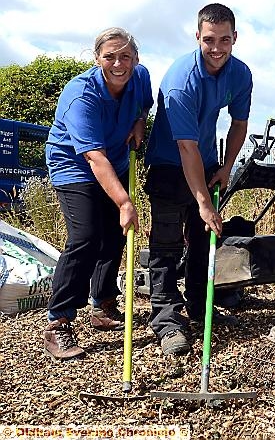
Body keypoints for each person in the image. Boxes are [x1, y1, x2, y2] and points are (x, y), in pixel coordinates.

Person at [144, 3, 252, 356]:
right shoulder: (181, 81)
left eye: (224, 39)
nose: (217, 47)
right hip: (168, 163)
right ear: (197, 37)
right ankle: (166, 319)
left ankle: (200, 307)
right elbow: (185, 148)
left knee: (204, 241)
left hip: (205, 162)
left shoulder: (240, 74)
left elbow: (239, 124)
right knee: (167, 245)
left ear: (235, 37)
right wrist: (205, 203)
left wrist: (225, 166)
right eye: (209, 40)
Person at [44, 27, 153, 361]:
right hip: (74, 164)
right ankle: (58, 322)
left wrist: (138, 122)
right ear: (97, 59)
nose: (119, 63)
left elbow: (143, 106)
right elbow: (94, 157)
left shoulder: (140, 76)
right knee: (87, 236)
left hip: (115, 159)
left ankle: (102, 303)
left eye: (125, 56)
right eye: (110, 57)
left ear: (135, 58)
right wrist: (124, 201)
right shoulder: (82, 95)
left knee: (114, 237)